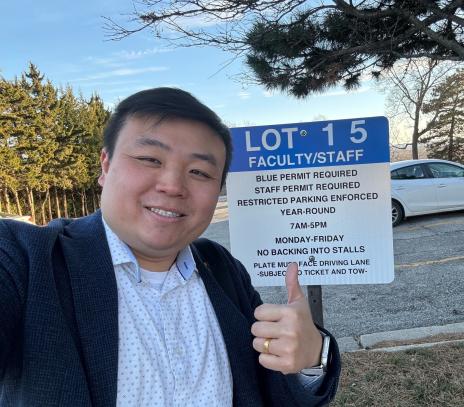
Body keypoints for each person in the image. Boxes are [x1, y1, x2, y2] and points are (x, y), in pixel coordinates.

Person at [0, 87, 340, 406]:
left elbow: (274, 392)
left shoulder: (221, 268)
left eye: (199, 172)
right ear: (106, 166)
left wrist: (312, 359)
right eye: (150, 159)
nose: (172, 185)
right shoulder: (27, 259)